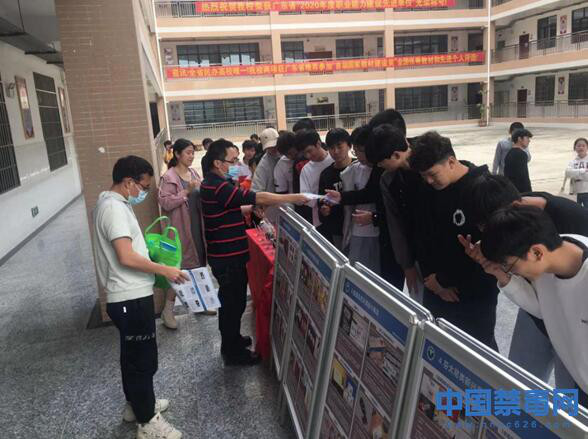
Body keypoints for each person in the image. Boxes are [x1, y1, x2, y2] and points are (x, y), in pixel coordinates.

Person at [461, 173, 588, 387]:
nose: (512, 272)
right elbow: (543, 308)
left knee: (567, 389)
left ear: (537, 253)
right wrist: (499, 271)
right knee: (524, 378)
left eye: (510, 266)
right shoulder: (549, 259)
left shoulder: (570, 223)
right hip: (576, 365)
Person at [92, 155, 187, 438]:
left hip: (129, 295)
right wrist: (164, 270)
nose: (143, 193)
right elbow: (125, 256)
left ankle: (136, 405)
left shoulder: (113, 203)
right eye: (143, 187)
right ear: (128, 182)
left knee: (131, 357)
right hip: (129, 297)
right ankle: (148, 423)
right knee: (142, 360)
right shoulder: (113, 209)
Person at [200, 140, 308, 365]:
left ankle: (233, 340)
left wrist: (249, 208)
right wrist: (292, 198)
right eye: (232, 161)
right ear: (218, 163)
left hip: (228, 254)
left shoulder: (216, 183)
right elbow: (258, 196)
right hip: (227, 257)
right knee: (232, 303)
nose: (236, 165)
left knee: (234, 301)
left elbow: (231, 207)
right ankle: (232, 352)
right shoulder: (217, 186)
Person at [409, 131, 499, 350]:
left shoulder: (483, 189)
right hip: (434, 288)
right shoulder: (428, 189)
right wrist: (434, 282)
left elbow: (488, 251)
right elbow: (420, 234)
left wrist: (444, 280)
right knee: (437, 349)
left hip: (473, 294)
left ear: (451, 161)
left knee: (476, 353)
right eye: (423, 176)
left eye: (432, 174)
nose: (428, 181)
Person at [367, 123, 427, 296]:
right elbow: (395, 225)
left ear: (396, 154)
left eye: (381, 162)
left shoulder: (431, 165)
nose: (379, 166)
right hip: (416, 254)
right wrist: (407, 265)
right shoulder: (388, 180)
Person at [158, 139, 211, 329]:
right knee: (179, 270)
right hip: (180, 230)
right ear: (177, 154)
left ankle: (200, 304)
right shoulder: (169, 177)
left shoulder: (194, 173)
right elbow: (165, 203)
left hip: (197, 227)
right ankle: (167, 311)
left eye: (192, 153)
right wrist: (185, 192)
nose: (191, 156)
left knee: (198, 265)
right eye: (188, 152)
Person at [338, 125, 381, 273]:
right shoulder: (353, 169)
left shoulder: (381, 168)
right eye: (356, 151)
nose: (359, 155)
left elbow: (369, 194)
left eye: (361, 151)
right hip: (358, 230)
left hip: (377, 232)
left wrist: (342, 197)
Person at [317, 128, 354, 249]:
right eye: (332, 148)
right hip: (337, 230)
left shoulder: (359, 167)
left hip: (359, 227)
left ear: (349, 145)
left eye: (339, 146)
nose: (336, 151)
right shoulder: (326, 175)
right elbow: (321, 201)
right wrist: (324, 210)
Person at [296, 129, 334, 227]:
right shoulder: (306, 170)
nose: (308, 156)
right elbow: (305, 197)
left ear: (318, 144)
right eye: (304, 153)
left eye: (309, 151)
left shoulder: (334, 159)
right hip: (319, 219)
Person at [251, 128, 281, 223]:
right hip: (272, 209)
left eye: (275, 145)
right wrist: (257, 205)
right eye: (269, 147)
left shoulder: (286, 155)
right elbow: (256, 189)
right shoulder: (263, 165)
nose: (273, 149)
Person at [504, 128, 533, 193]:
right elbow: (523, 177)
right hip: (520, 192)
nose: (529, 140)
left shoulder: (510, 152)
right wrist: (529, 193)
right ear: (519, 139)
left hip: (511, 190)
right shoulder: (521, 154)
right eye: (527, 138)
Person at [566, 138, 588, 207]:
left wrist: (575, 174)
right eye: (578, 146)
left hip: (587, 191)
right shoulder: (572, 162)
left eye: (583, 146)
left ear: (587, 147)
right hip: (575, 192)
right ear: (575, 148)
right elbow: (568, 173)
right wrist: (583, 171)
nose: (581, 147)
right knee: (576, 211)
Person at [274, 131, 297, 195]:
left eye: (291, 152)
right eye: (287, 154)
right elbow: (281, 193)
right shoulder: (281, 165)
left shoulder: (308, 155)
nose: (290, 157)